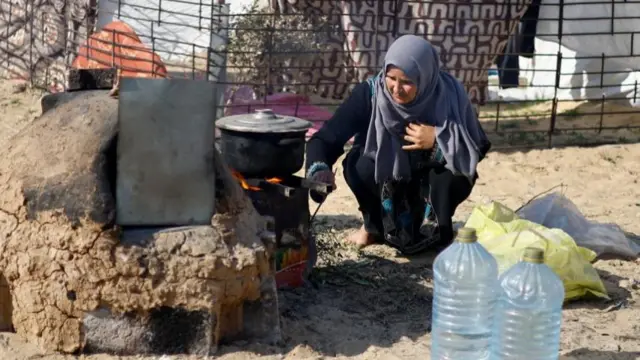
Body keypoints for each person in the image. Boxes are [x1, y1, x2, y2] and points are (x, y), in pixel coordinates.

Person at [305, 35, 491, 255]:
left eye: (407, 82)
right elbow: (326, 138)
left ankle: (436, 229)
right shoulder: (371, 94)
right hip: (387, 182)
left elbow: (476, 146)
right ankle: (372, 226)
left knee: (455, 172)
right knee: (359, 164)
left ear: (425, 78)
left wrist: (439, 140)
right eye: (391, 78)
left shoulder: (450, 95)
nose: (396, 88)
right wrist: (319, 171)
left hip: (427, 183)